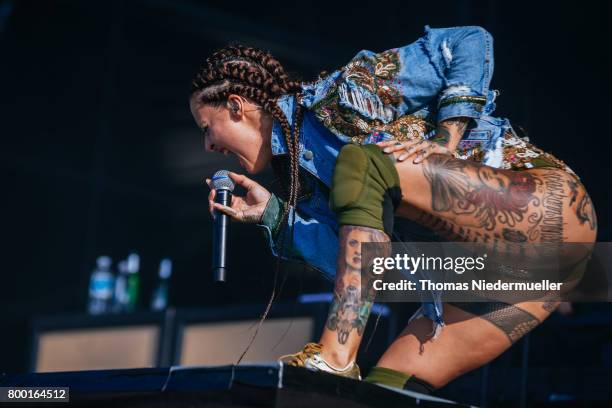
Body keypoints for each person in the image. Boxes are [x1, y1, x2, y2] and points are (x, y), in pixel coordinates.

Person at [190, 25, 597, 392]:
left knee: (363, 163)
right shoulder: (309, 183)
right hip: (513, 274)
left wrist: (447, 139)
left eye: (207, 129)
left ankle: (334, 356)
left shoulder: (344, 95)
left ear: (237, 105)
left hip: (548, 210)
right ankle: (343, 368)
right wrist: (273, 216)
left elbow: (468, 41)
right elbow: (366, 265)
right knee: (382, 394)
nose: (209, 147)